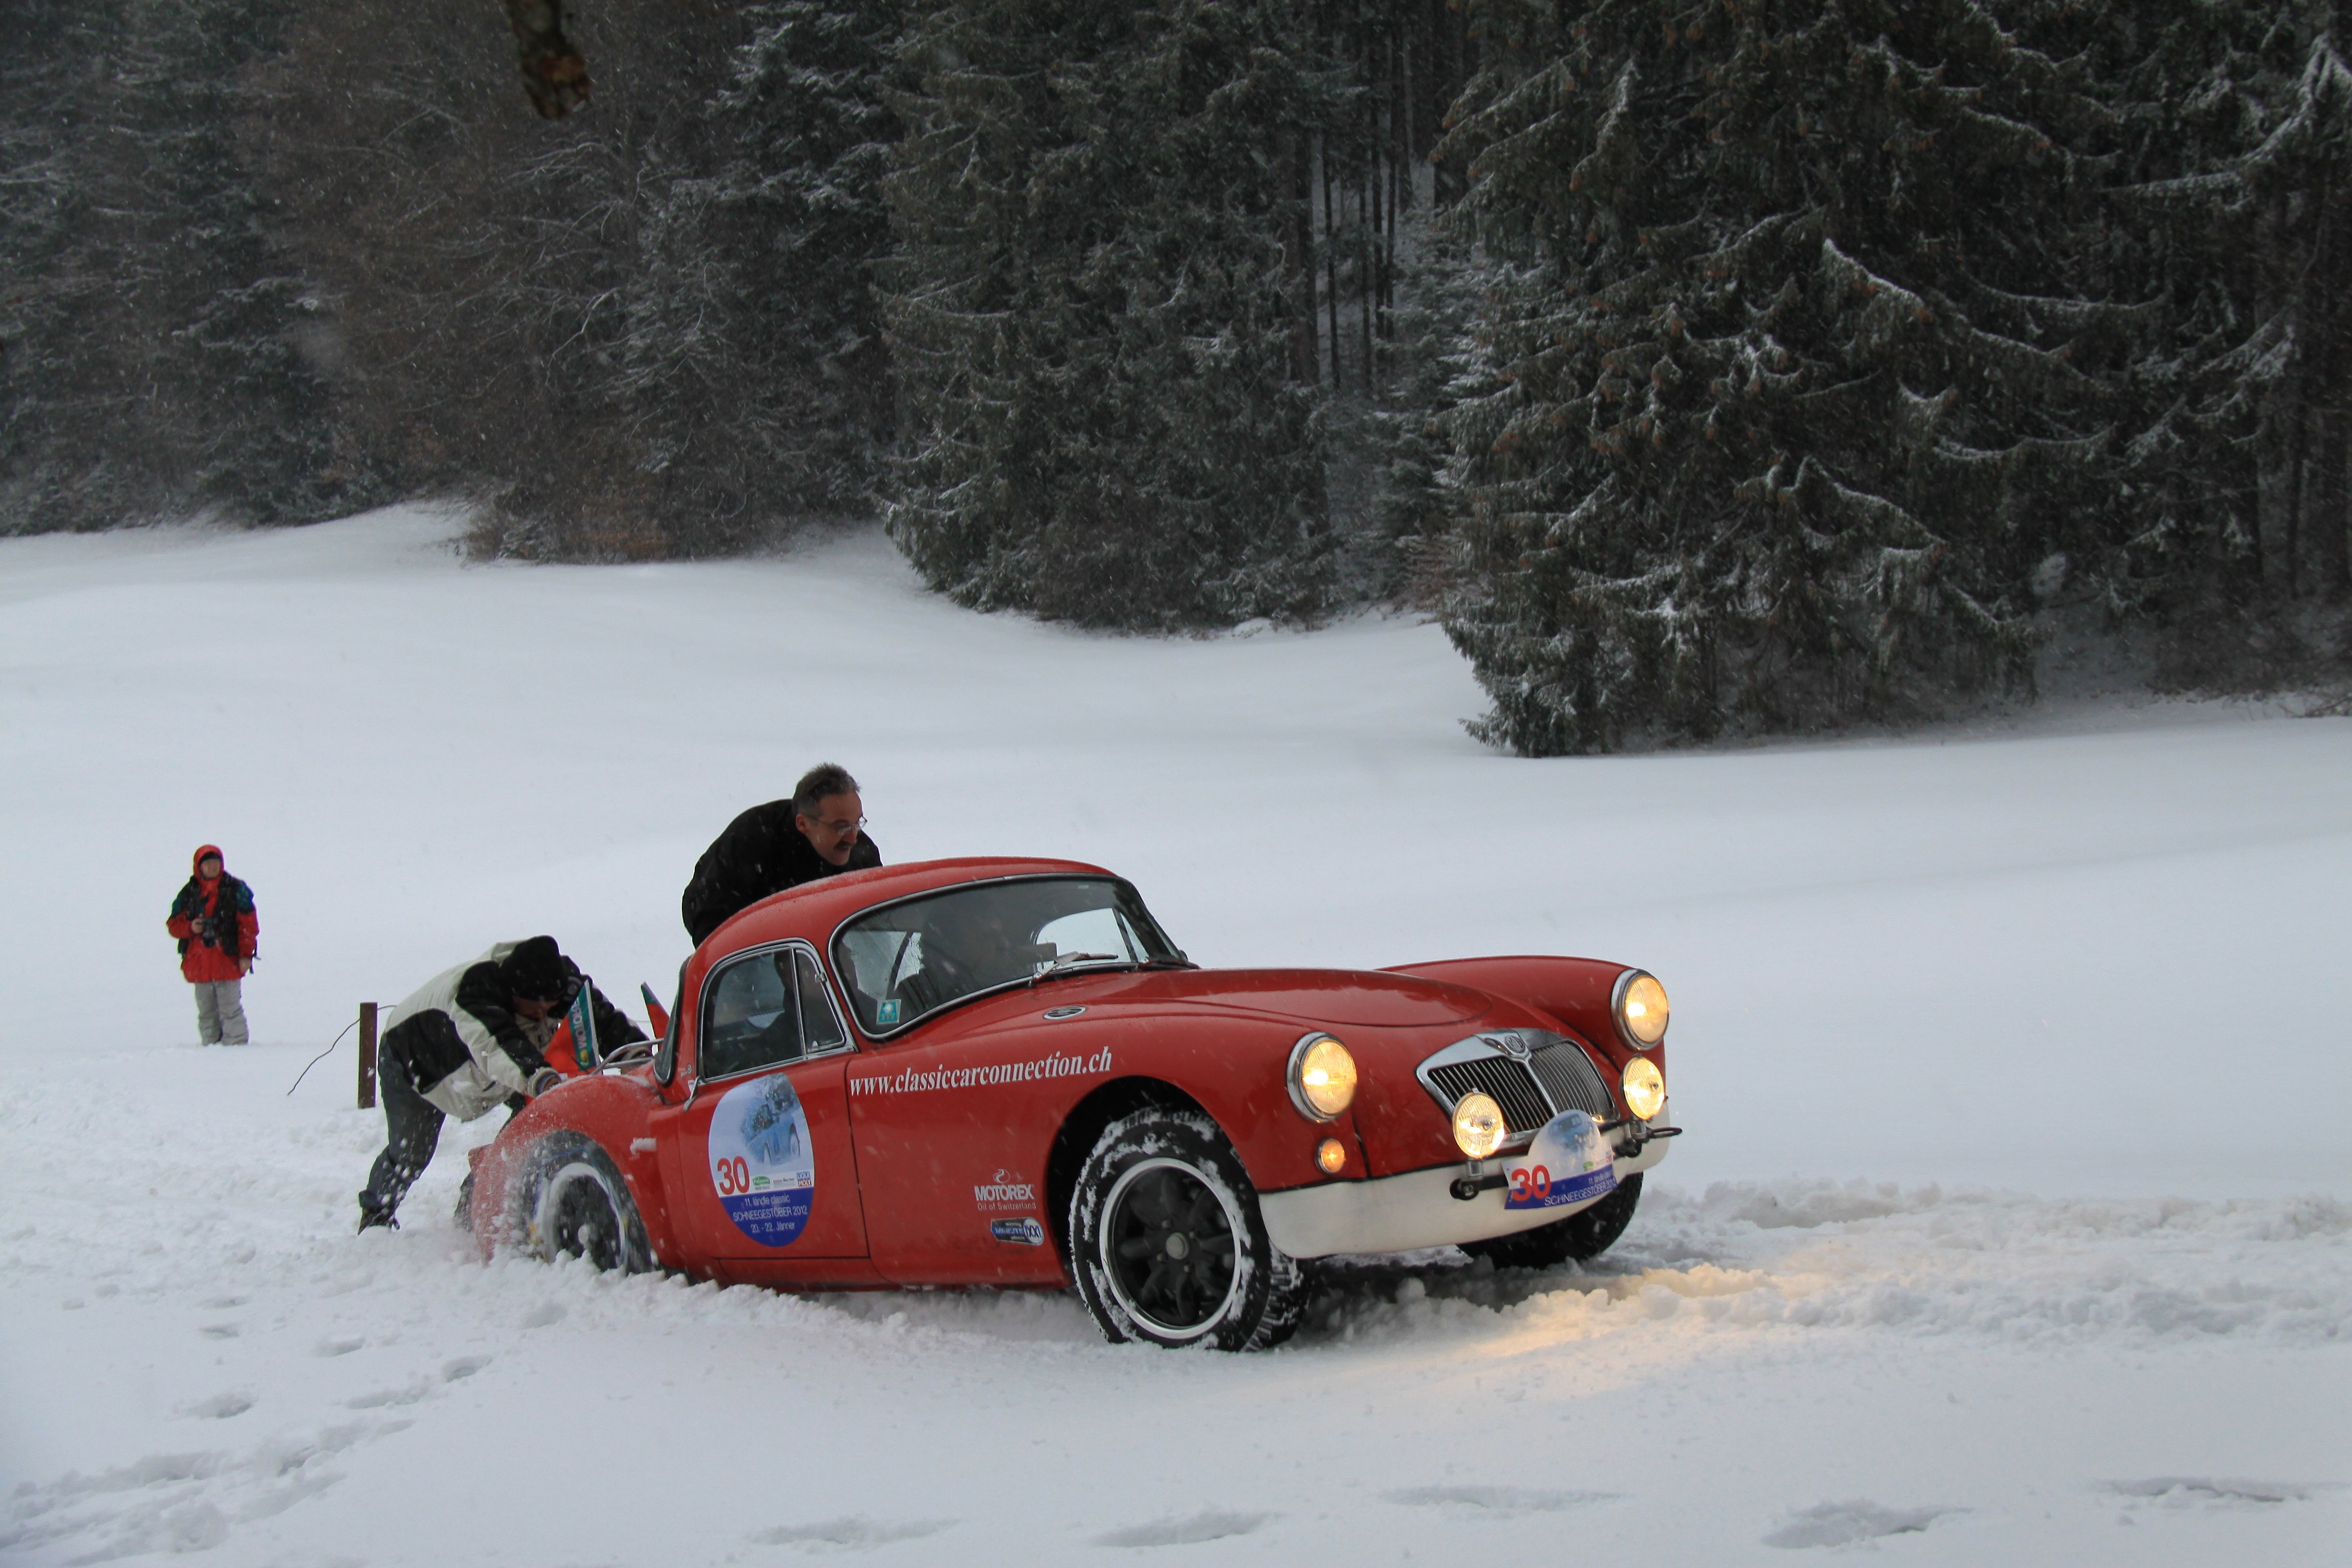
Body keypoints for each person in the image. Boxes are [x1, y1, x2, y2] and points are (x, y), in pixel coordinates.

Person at [356, 935, 643, 1231]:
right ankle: (376, 1216)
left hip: (497, 1072)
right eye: (535, 1011)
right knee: (411, 1153)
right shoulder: (474, 994)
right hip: (416, 1063)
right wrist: (542, 1080)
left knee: (528, 1131)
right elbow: (497, 1047)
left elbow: (604, 1021)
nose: (544, 1016)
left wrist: (639, 1056)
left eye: (550, 1009)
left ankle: (475, 1205)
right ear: (513, 995)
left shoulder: (559, 982)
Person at [681, 762, 882, 946]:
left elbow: (879, 917)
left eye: (857, 824)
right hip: (740, 931)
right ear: (803, 824)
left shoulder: (861, 855)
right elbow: (710, 924)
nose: (852, 838)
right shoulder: (751, 842)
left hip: (815, 932)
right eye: (841, 828)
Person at [166, 844, 258, 1046]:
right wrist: (192, 927)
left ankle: (236, 1049)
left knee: (230, 1010)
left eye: (215, 862)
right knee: (207, 1013)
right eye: (207, 863)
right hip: (199, 963)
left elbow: (248, 926)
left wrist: (245, 955)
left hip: (228, 960)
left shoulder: (236, 890)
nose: (212, 867)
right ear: (198, 866)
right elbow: (173, 925)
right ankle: (210, 1051)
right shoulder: (190, 892)